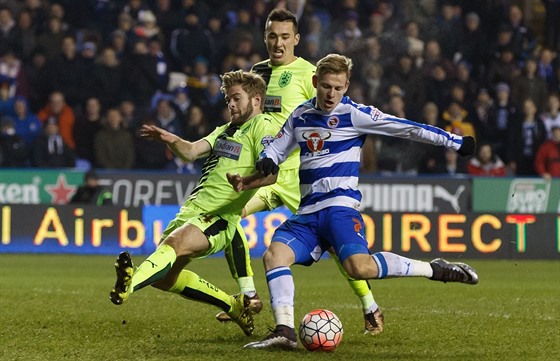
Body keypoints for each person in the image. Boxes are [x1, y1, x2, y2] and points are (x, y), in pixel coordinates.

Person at [227, 54, 478, 349]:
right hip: (307, 212)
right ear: (315, 82)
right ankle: (285, 331)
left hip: (339, 209)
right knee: (274, 256)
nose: (331, 94)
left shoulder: (356, 115)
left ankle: (435, 269)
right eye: (326, 87)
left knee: (360, 269)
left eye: (338, 88)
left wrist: (455, 142)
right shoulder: (300, 116)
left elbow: (407, 127)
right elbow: (276, 147)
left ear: (346, 86)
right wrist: (267, 158)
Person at [215, 9, 385, 336]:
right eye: (272, 36)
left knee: (337, 248)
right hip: (265, 175)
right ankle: (248, 295)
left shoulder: (309, 74)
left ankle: (370, 307)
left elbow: (329, 118)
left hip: (302, 178)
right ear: (265, 38)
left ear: (295, 39)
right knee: (227, 216)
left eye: (284, 37)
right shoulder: (257, 72)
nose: (278, 43)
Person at [109, 70, 279, 337]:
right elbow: (190, 152)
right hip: (191, 210)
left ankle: (129, 286)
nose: (231, 105)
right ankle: (233, 305)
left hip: (219, 216)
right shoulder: (225, 131)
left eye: (236, 98)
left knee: (173, 246)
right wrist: (170, 139)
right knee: (165, 279)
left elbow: (271, 173)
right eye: (228, 100)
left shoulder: (263, 126)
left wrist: (246, 182)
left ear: (257, 100)